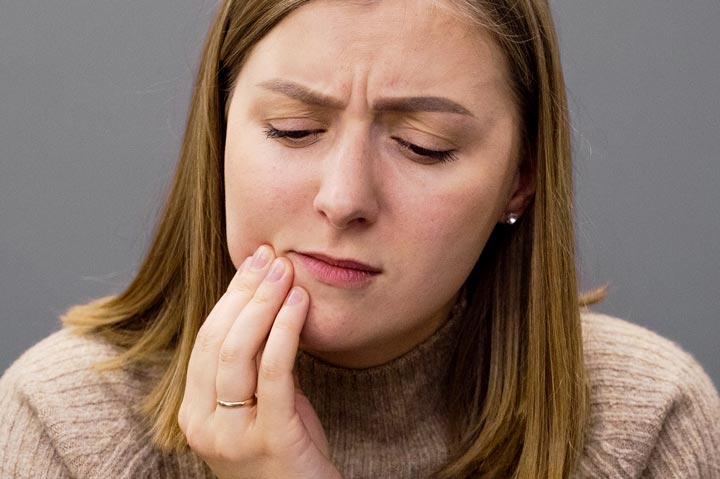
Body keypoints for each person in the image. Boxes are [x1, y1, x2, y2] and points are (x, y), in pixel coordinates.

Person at [1, 0, 718, 477]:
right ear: (218, 134)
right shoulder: (67, 424)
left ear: (520, 178)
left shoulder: (649, 422)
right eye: (293, 130)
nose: (343, 198)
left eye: (423, 145)